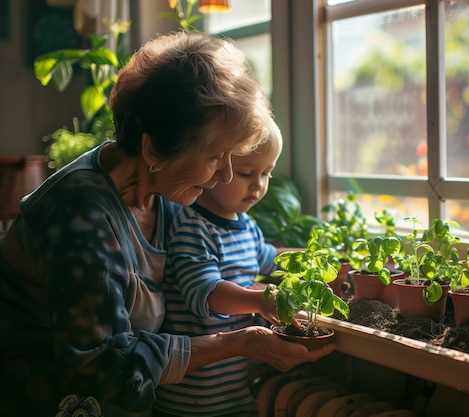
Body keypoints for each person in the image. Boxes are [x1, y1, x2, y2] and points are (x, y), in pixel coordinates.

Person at [0, 32, 333, 417]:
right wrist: (242, 343)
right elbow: (108, 370)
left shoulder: (167, 195)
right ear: (153, 149)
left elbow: (230, 251)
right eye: (215, 157)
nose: (226, 175)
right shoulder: (81, 213)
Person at [154, 118, 283, 417]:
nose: (259, 184)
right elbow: (206, 294)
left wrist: (316, 260)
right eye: (247, 173)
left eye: (267, 173)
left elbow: (270, 258)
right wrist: (258, 301)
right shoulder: (193, 228)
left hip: (237, 389)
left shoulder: (246, 226)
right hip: (194, 396)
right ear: (215, 169)